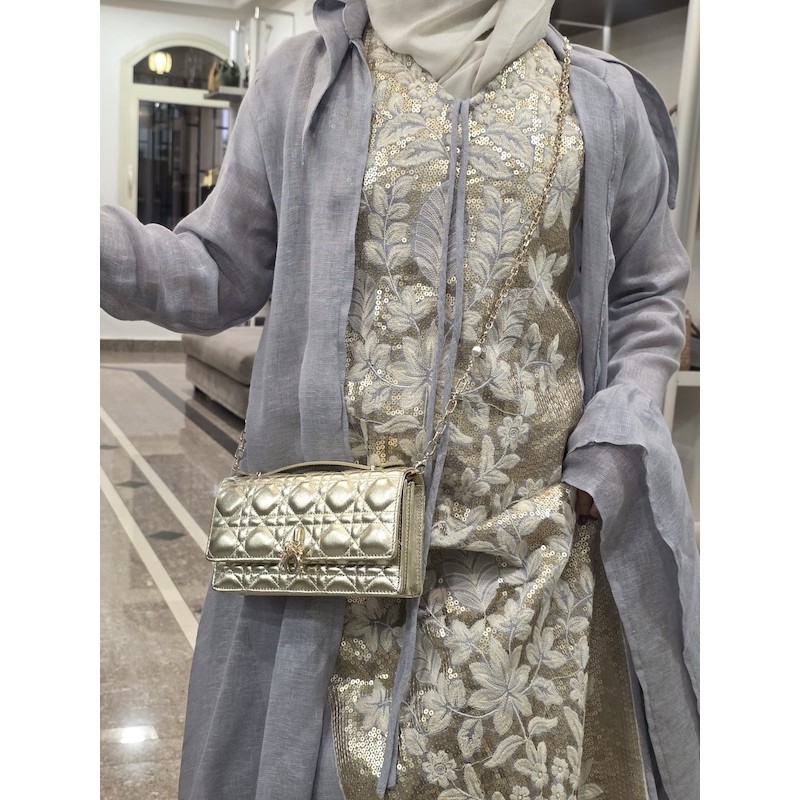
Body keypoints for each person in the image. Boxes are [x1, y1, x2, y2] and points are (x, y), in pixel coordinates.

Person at [100, 1, 699, 798]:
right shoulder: (304, 82)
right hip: (338, 556)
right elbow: (216, 269)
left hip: (534, 556)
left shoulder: (600, 95)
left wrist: (614, 446)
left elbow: (648, 293)